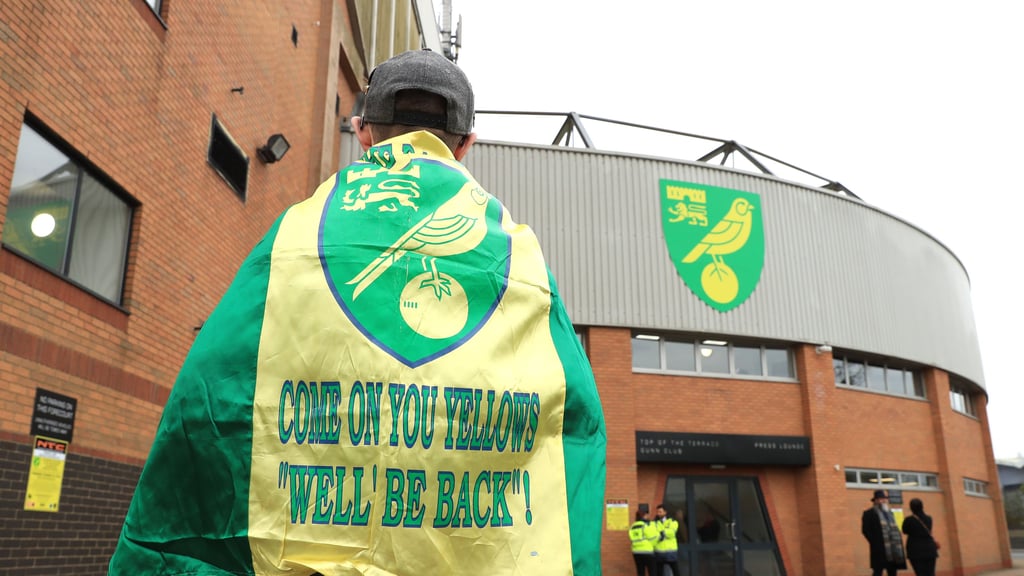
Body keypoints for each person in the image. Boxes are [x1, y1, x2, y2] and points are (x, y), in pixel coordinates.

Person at [108, 49, 607, 576]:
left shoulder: (293, 239)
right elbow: (575, 431)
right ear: (466, 145)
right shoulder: (520, 257)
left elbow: (208, 399)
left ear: (362, 131)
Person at [861, 489, 907, 576]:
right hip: (879, 548)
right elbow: (865, 530)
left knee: (892, 571)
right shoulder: (869, 513)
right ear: (876, 501)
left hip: (893, 547)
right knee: (878, 571)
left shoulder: (890, 513)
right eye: (881, 499)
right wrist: (874, 542)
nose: (883, 501)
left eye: (884, 499)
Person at [902, 498, 939, 576]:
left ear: (911, 508)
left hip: (915, 550)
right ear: (922, 506)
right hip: (930, 549)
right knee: (930, 573)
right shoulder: (929, 518)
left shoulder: (908, 520)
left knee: (920, 573)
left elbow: (904, 531)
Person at [629, 509, 658, 576]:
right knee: (652, 571)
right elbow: (653, 538)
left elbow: (631, 538)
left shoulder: (632, 527)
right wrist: (654, 544)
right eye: (647, 515)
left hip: (636, 552)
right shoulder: (645, 525)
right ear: (645, 515)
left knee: (640, 572)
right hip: (647, 551)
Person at [653, 504, 680, 576]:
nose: (658, 513)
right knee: (659, 572)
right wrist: (665, 532)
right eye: (658, 512)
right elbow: (653, 534)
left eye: (660, 512)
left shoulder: (672, 521)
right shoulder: (654, 523)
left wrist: (661, 533)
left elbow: (672, 533)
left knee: (675, 571)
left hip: (670, 551)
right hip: (659, 551)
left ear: (665, 512)